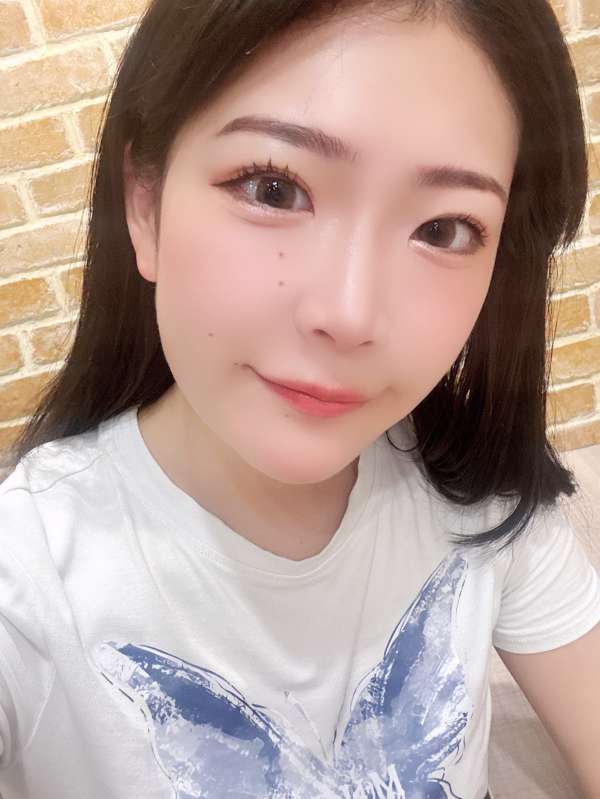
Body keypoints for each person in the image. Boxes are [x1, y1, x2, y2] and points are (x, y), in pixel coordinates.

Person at [1, 0, 599, 797]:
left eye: (445, 229)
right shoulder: (30, 576)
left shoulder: (482, 497)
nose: (349, 314)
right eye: (273, 188)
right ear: (144, 203)